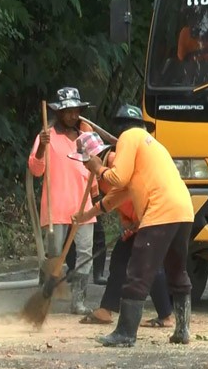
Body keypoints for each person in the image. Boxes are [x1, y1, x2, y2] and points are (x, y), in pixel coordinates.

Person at [73, 104, 194, 347]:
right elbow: (119, 194)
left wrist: (98, 167)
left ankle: (126, 333)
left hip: (160, 211)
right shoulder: (148, 144)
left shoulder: (129, 137)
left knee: (138, 271)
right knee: (177, 270)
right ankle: (182, 330)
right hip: (183, 210)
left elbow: (117, 178)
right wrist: (87, 215)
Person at [70, 134, 173, 328]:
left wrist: (136, 222)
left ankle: (166, 315)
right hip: (135, 221)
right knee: (119, 259)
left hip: (150, 215)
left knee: (149, 264)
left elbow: (135, 189)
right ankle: (106, 310)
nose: (84, 165)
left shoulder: (116, 163)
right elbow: (116, 201)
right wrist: (126, 224)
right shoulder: (99, 176)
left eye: (85, 161)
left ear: (95, 156)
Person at [28, 86, 97, 315]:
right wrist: (41, 149)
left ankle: (78, 301)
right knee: (55, 253)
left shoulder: (84, 137)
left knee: (85, 252)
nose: (73, 115)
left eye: (76, 110)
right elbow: (36, 170)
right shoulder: (46, 136)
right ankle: (44, 295)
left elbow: (92, 171)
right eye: (68, 111)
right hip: (56, 204)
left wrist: (96, 198)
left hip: (83, 204)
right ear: (58, 112)